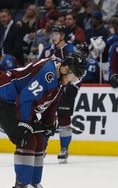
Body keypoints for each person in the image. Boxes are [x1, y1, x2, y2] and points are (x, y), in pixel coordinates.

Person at [0, 53, 87, 188]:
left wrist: (48, 123)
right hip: (3, 98)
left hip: (17, 101)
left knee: (39, 138)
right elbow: (26, 98)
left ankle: (33, 185)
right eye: (75, 75)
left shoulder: (60, 78)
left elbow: (51, 103)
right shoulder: (48, 74)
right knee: (27, 139)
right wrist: (25, 123)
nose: (75, 80)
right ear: (66, 68)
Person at [39, 25, 78, 163]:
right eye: (53, 34)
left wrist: (75, 85)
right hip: (49, 89)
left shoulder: (71, 50)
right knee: (45, 119)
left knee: (64, 119)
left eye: (57, 34)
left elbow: (79, 69)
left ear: (63, 36)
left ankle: (64, 148)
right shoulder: (46, 50)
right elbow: (39, 67)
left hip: (66, 89)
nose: (54, 37)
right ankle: (41, 148)